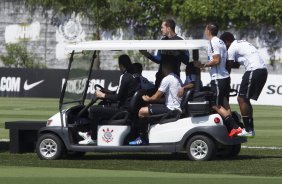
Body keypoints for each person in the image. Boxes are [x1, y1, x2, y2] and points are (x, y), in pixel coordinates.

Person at [78, 54, 140, 144]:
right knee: (101, 105)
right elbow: (122, 94)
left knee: (93, 110)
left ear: (121, 65)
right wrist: (106, 91)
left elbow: (118, 97)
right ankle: (91, 133)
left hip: (122, 110)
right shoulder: (133, 75)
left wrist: (103, 95)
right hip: (127, 107)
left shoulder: (125, 76)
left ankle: (93, 138)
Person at [195, 23, 241, 137]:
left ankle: (235, 127)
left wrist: (203, 65)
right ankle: (230, 130)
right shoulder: (220, 42)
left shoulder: (214, 41)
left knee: (215, 105)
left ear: (208, 31)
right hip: (225, 77)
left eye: (205, 29)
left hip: (218, 78)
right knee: (225, 105)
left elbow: (217, 60)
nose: (205, 32)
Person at [220, 32, 268, 137]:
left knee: (241, 99)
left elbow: (228, 67)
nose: (224, 47)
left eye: (224, 44)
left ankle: (248, 129)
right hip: (262, 70)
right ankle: (249, 128)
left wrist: (224, 83)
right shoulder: (241, 43)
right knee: (245, 99)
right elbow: (238, 63)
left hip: (254, 70)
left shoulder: (232, 47)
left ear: (228, 41)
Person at [129, 55, 183, 145]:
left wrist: (147, 98)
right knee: (147, 108)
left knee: (142, 111)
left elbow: (155, 97)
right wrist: (151, 101)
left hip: (171, 110)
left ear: (164, 67)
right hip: (173, 107)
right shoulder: (176, 78)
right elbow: (164, 99)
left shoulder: (167, 79)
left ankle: (142, 138)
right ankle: (146, 134)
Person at [140, 18, 189, 88]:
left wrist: (176, 51)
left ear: (168, 28)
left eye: (162, 27)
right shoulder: (162, 40)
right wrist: (146, 54)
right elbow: (158, 60)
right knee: (156, 98)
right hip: (161, 78)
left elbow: (186, 60)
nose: (161, 29)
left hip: (174, 78)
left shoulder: (180, 40)